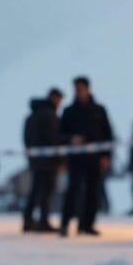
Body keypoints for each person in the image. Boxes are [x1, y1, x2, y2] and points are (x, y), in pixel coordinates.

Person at [59, 75, 114, 236]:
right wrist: (71, 139)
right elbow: (60, 134)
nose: (78, 92)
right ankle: (65, 223)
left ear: (88, 89)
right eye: (76, 89)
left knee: (93, 191)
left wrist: (106, 156)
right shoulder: (68, 112)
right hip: (76, 158)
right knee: (73, 190)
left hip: (95, 158)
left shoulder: (99, 110)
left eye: (81, 89)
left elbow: (108, 135)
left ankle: (86, 225)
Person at [22, 88, 63, 232]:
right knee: (46, 191)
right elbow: (55, 139)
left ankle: (28, 220)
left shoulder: (31, 116)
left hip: (35, 160)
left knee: (35, 190)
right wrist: (60, 160)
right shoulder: (50, 116)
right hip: (48, 161)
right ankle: (43, 221)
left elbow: (26, 139)